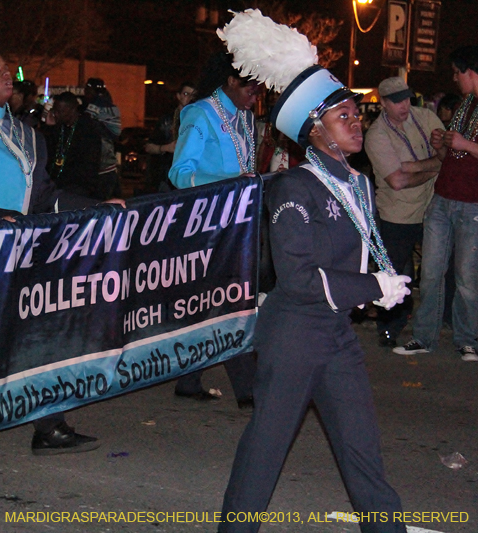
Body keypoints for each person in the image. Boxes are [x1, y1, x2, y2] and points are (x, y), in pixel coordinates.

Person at [216, 11, 409, 531]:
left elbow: (361, 251)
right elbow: (301, 277)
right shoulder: (292, 189)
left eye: (355, 113)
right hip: (293, 335)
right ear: (314, 130)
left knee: (363, 452)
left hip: (337, 336)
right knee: (264, 454)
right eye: (343, 116)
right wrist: (373, 285)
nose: (355, 122)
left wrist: (380, 288)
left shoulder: (360, 184)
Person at [0, 47, 123, 454]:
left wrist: (95, 207)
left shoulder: (25, 134)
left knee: (36, 333)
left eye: (7, 69)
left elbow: (44, 196)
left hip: (20, 247)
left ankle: (49, 426)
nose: (7, 75)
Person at [168, 52, 258, 408]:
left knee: (212, 304)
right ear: (232, 81)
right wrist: (230, 182)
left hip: (237, 222)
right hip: (204, 224)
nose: (255, 97)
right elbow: (180, 173)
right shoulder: (199, 113)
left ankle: (188, 379)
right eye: (251, 89)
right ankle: (249, 389)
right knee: (229, 301)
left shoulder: (245, 118)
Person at [393, 46, 478, 362]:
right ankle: (423, 337)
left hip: (473, 204)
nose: (455, 79)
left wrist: (464, 144)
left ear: (468, 70)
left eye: (457, 73)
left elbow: (466, 147)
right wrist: (443, 144)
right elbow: (452, 154)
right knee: (429, 272)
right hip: (443, 198)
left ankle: (467, 339)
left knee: (468, 278)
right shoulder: (464, 106)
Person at [365, 77, 444, 347]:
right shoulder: (377, 134)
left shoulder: (424, 116)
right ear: (384, 103)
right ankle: (388, 327)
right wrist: (434, 167)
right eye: (397, 100)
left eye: (407, 98)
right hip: (396, 214)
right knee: (394, 274)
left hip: (432, 205)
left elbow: (447, 154)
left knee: (436, 271)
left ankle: (438, 322)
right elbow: (397, 181)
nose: (404, 105)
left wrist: (416, 164)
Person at [46, 91, 108, 200]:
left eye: (61, 111)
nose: (56, 114)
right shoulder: (59, 127)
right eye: (55, 111)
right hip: (57, 184)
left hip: (79, 187)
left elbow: (88, 164)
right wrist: (48, 128)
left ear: (72, 110)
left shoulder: (88, 129)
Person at [143, 81, 196, 193]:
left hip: (190, 177)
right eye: (186, 94)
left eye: (193, 95)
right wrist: (166, 148)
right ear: (178, 96)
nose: (189, 98)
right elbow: (148, 146)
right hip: (166, 177)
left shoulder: (198, 118)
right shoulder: (167, 120)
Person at [83, 78, 121, 198]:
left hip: (100, 163)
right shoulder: (111, 105)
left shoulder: (94, 106)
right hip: (109, 163)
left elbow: (86, 126)